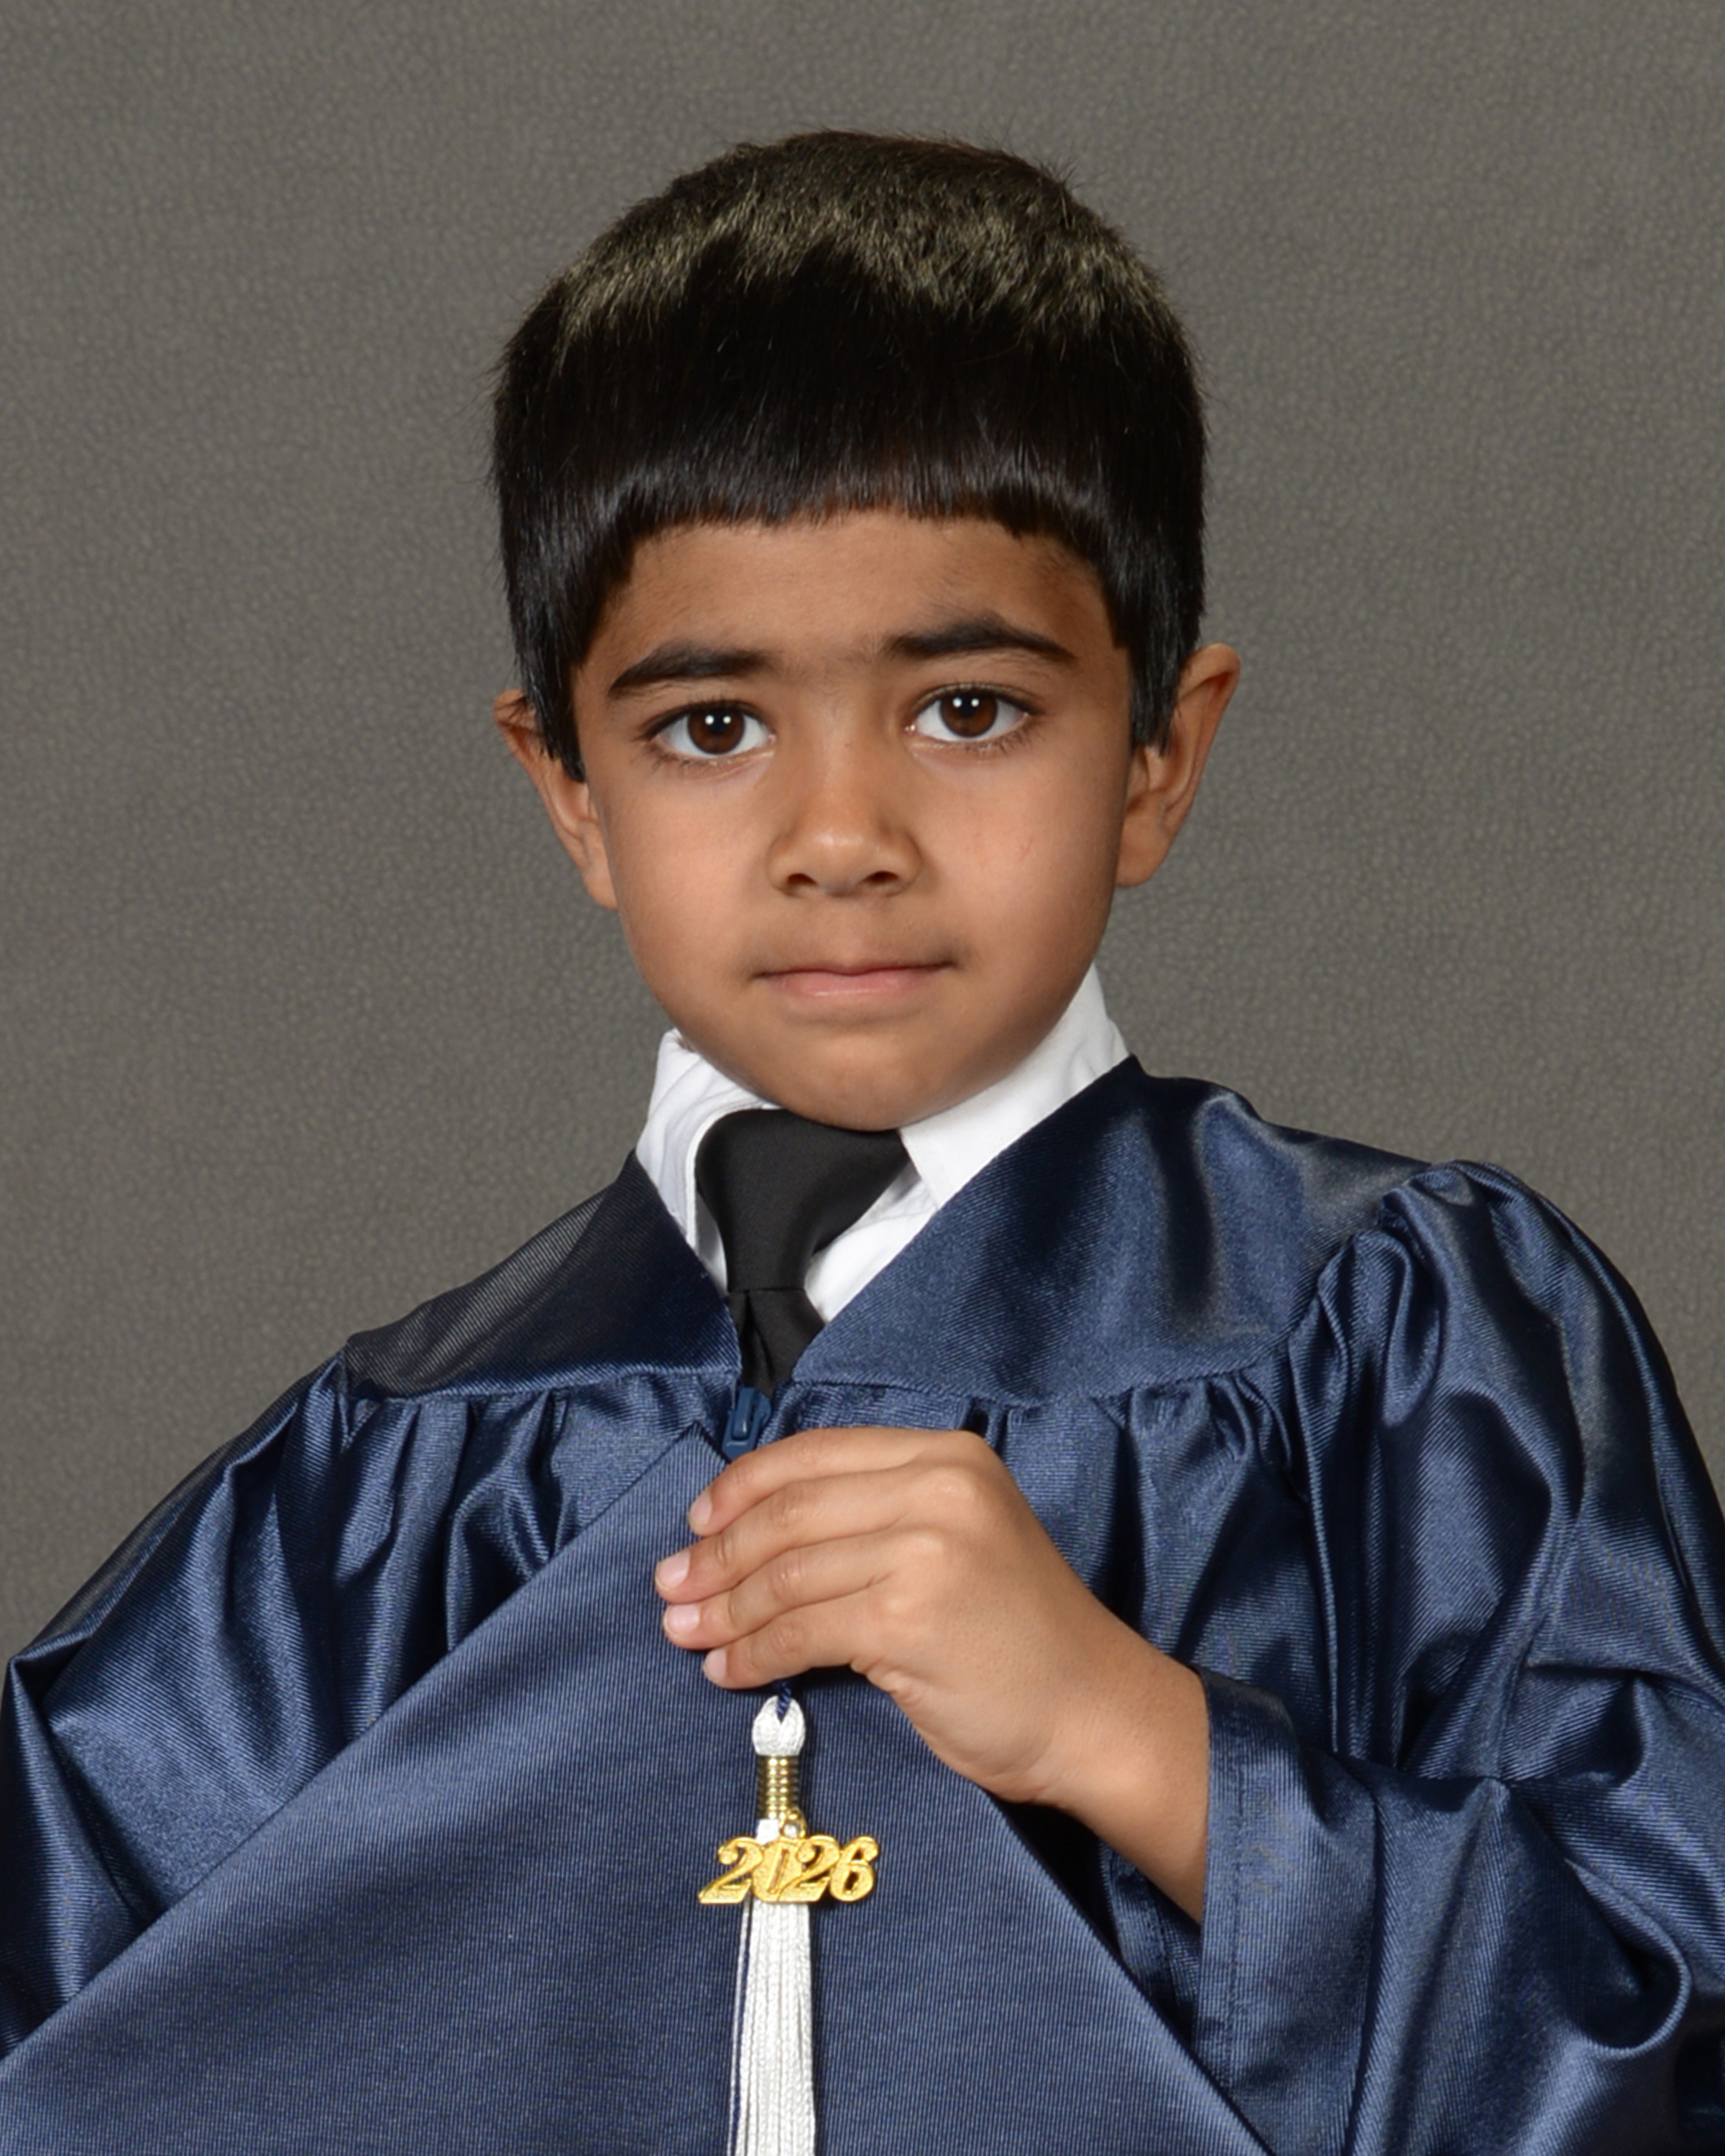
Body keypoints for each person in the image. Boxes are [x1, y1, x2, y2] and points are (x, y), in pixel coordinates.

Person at [2, 132, 1722, 2156]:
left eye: (969, 710)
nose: (842, 836)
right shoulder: (394, 1487)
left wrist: (1143, 1741)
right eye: (711, 728)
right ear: (568, 791)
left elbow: (1664, 2032)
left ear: (1160, 752)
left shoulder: (1400, 1351)